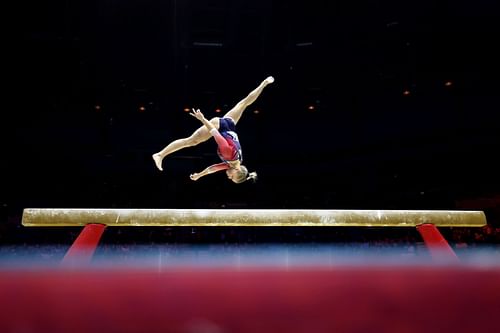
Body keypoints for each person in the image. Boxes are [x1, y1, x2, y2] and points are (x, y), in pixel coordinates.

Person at [152, 76, 274, 183]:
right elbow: (215, 134)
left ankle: (264, 83)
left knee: (244, 103)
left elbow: (213, 169)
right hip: (218, 127)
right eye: (232, 177)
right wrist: (203, 119)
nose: (229, 177)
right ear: (237, 170)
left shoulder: (234, 163)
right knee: (191, 141)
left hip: (229, 125)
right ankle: (160, 154)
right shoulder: (230, 156)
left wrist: (199, 175)